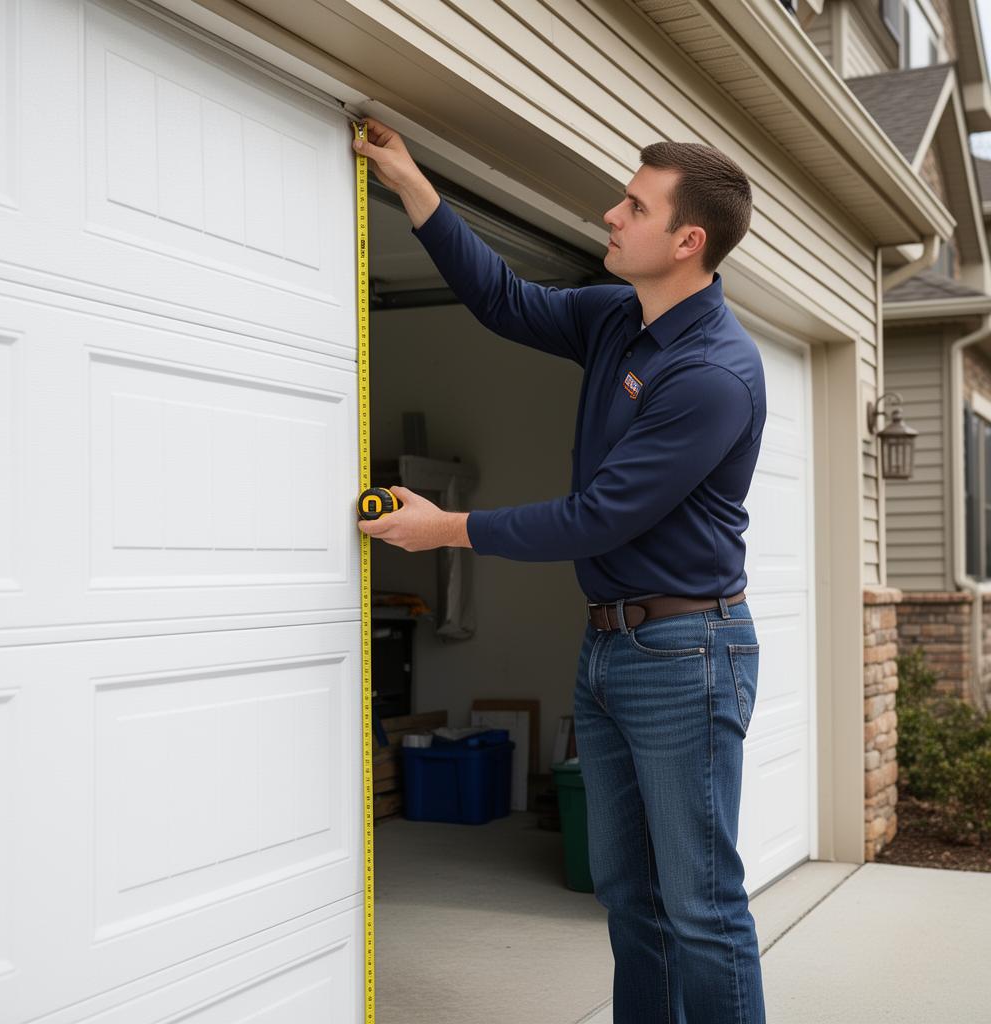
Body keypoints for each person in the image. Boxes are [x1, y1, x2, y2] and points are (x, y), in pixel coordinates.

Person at [352, 116, 767, 1024]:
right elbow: (504, 301)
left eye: (633, 205)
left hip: (687, 654)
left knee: (701, 908)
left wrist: (447, 528)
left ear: (687, 240)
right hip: (612, 646)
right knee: (627, 898)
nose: (608, 214)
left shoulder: (713, 373)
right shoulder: (622, 318)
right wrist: (411, 182)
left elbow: (599, 515)